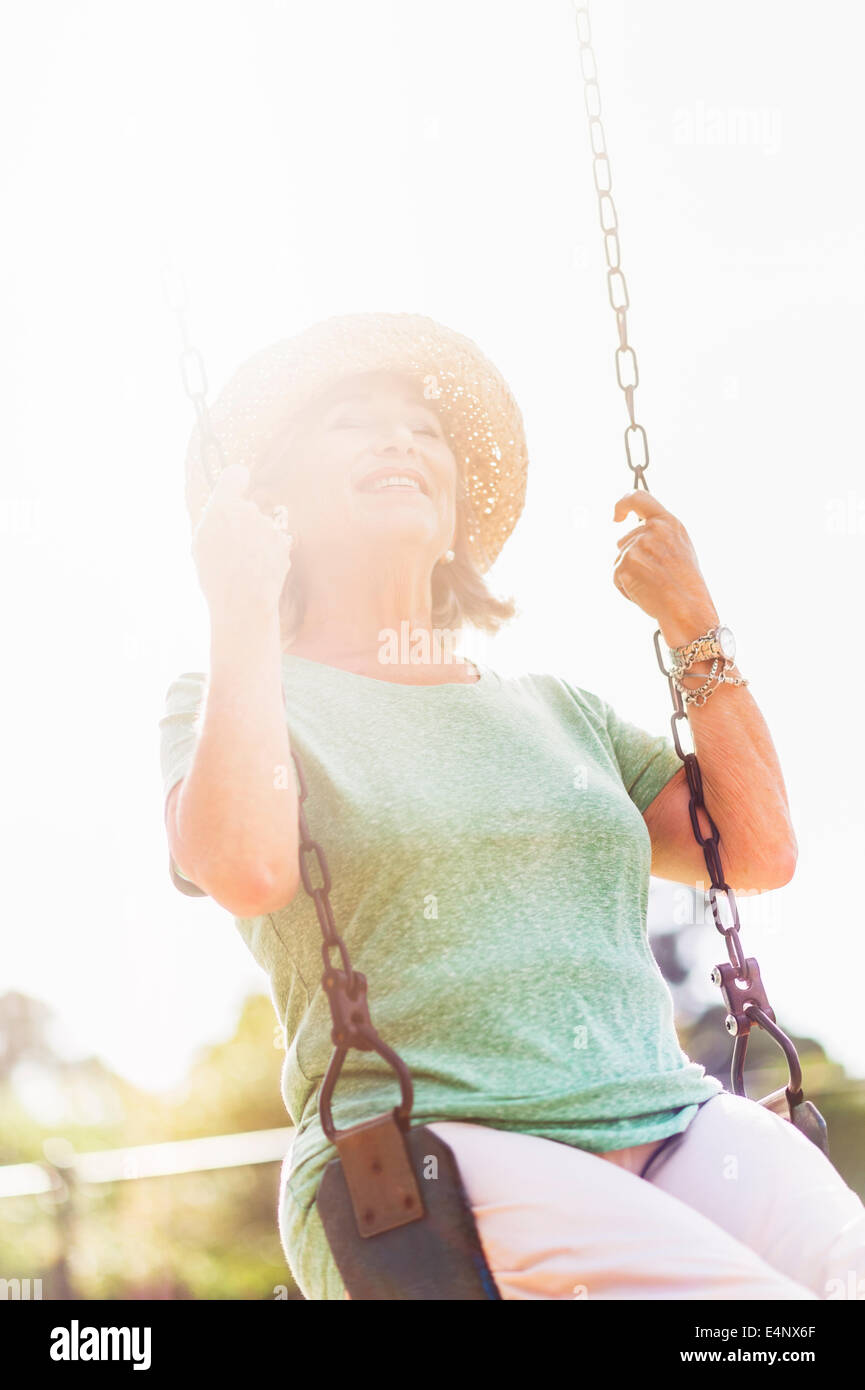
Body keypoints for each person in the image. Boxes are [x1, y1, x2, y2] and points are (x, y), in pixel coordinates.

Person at [159, 311, 865, 1301]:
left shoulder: (556, 711)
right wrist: (237, 605)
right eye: (351, 422)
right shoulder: (235, 700)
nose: (400, 437)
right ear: (271, 501)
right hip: (432, 1156)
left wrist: (694, 625)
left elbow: (755, 847)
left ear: (452, 517)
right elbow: (247, 867)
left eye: (423, 428)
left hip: (673, 1123)